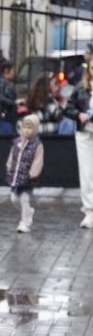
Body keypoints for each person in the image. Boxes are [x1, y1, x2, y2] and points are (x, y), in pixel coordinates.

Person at [63, 62, 93, 228]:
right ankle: (89, 211)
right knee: (87, 174)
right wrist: (80, 114)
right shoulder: (81, 88)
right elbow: (68, 108)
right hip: (85, 135)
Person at [5, 114, 44, 233]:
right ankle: (27, 212)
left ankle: (25, 223)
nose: (26, 130)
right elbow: (12, 156)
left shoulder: (37, 145)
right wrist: (9, 167)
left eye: (30, 127)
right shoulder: (17, 142)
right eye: (25, 127)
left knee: (24, 199)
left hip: (28, 179)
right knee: (14, 198)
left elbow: (38, 160)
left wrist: (33, 173)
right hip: (16, 176)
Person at [0, 60, 18, 135]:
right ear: (6, 70)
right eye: (13, 71)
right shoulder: (1, 82)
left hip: (4, 118)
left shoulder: (3, 82)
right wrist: (14, 103)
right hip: (2, 118)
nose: (13, 73)